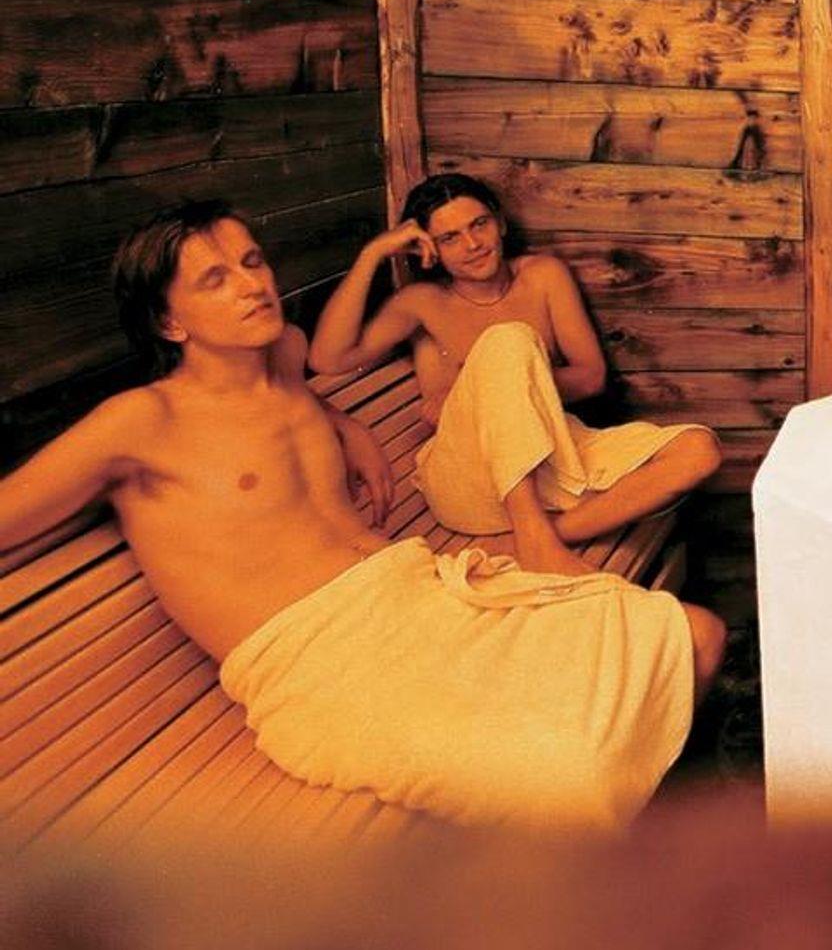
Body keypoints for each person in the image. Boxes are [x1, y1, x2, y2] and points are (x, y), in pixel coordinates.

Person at [0, 201, 725, 829]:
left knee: (696, 632)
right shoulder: (140, 424)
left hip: (422, 595)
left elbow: (289, 408)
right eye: (215, 280)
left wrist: (343, 424)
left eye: (252, 262)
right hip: (324, 664)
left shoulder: (283, 359)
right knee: (575, 773)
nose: (253, 285)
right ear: (168, 320)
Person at [309, 173, 721, 577]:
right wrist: (373, 254)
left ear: (500, 223)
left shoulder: (542, 276)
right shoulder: (423, 302)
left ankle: (540, 537)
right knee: (508, 339)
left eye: (479, 224)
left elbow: (591, 376)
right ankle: (535, 536)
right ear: (428, 250)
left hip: (550, 450)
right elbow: (328, 358)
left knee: (699, 449)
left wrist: (502, 386)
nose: (472, 244)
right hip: (467, 478)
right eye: (450, 238)